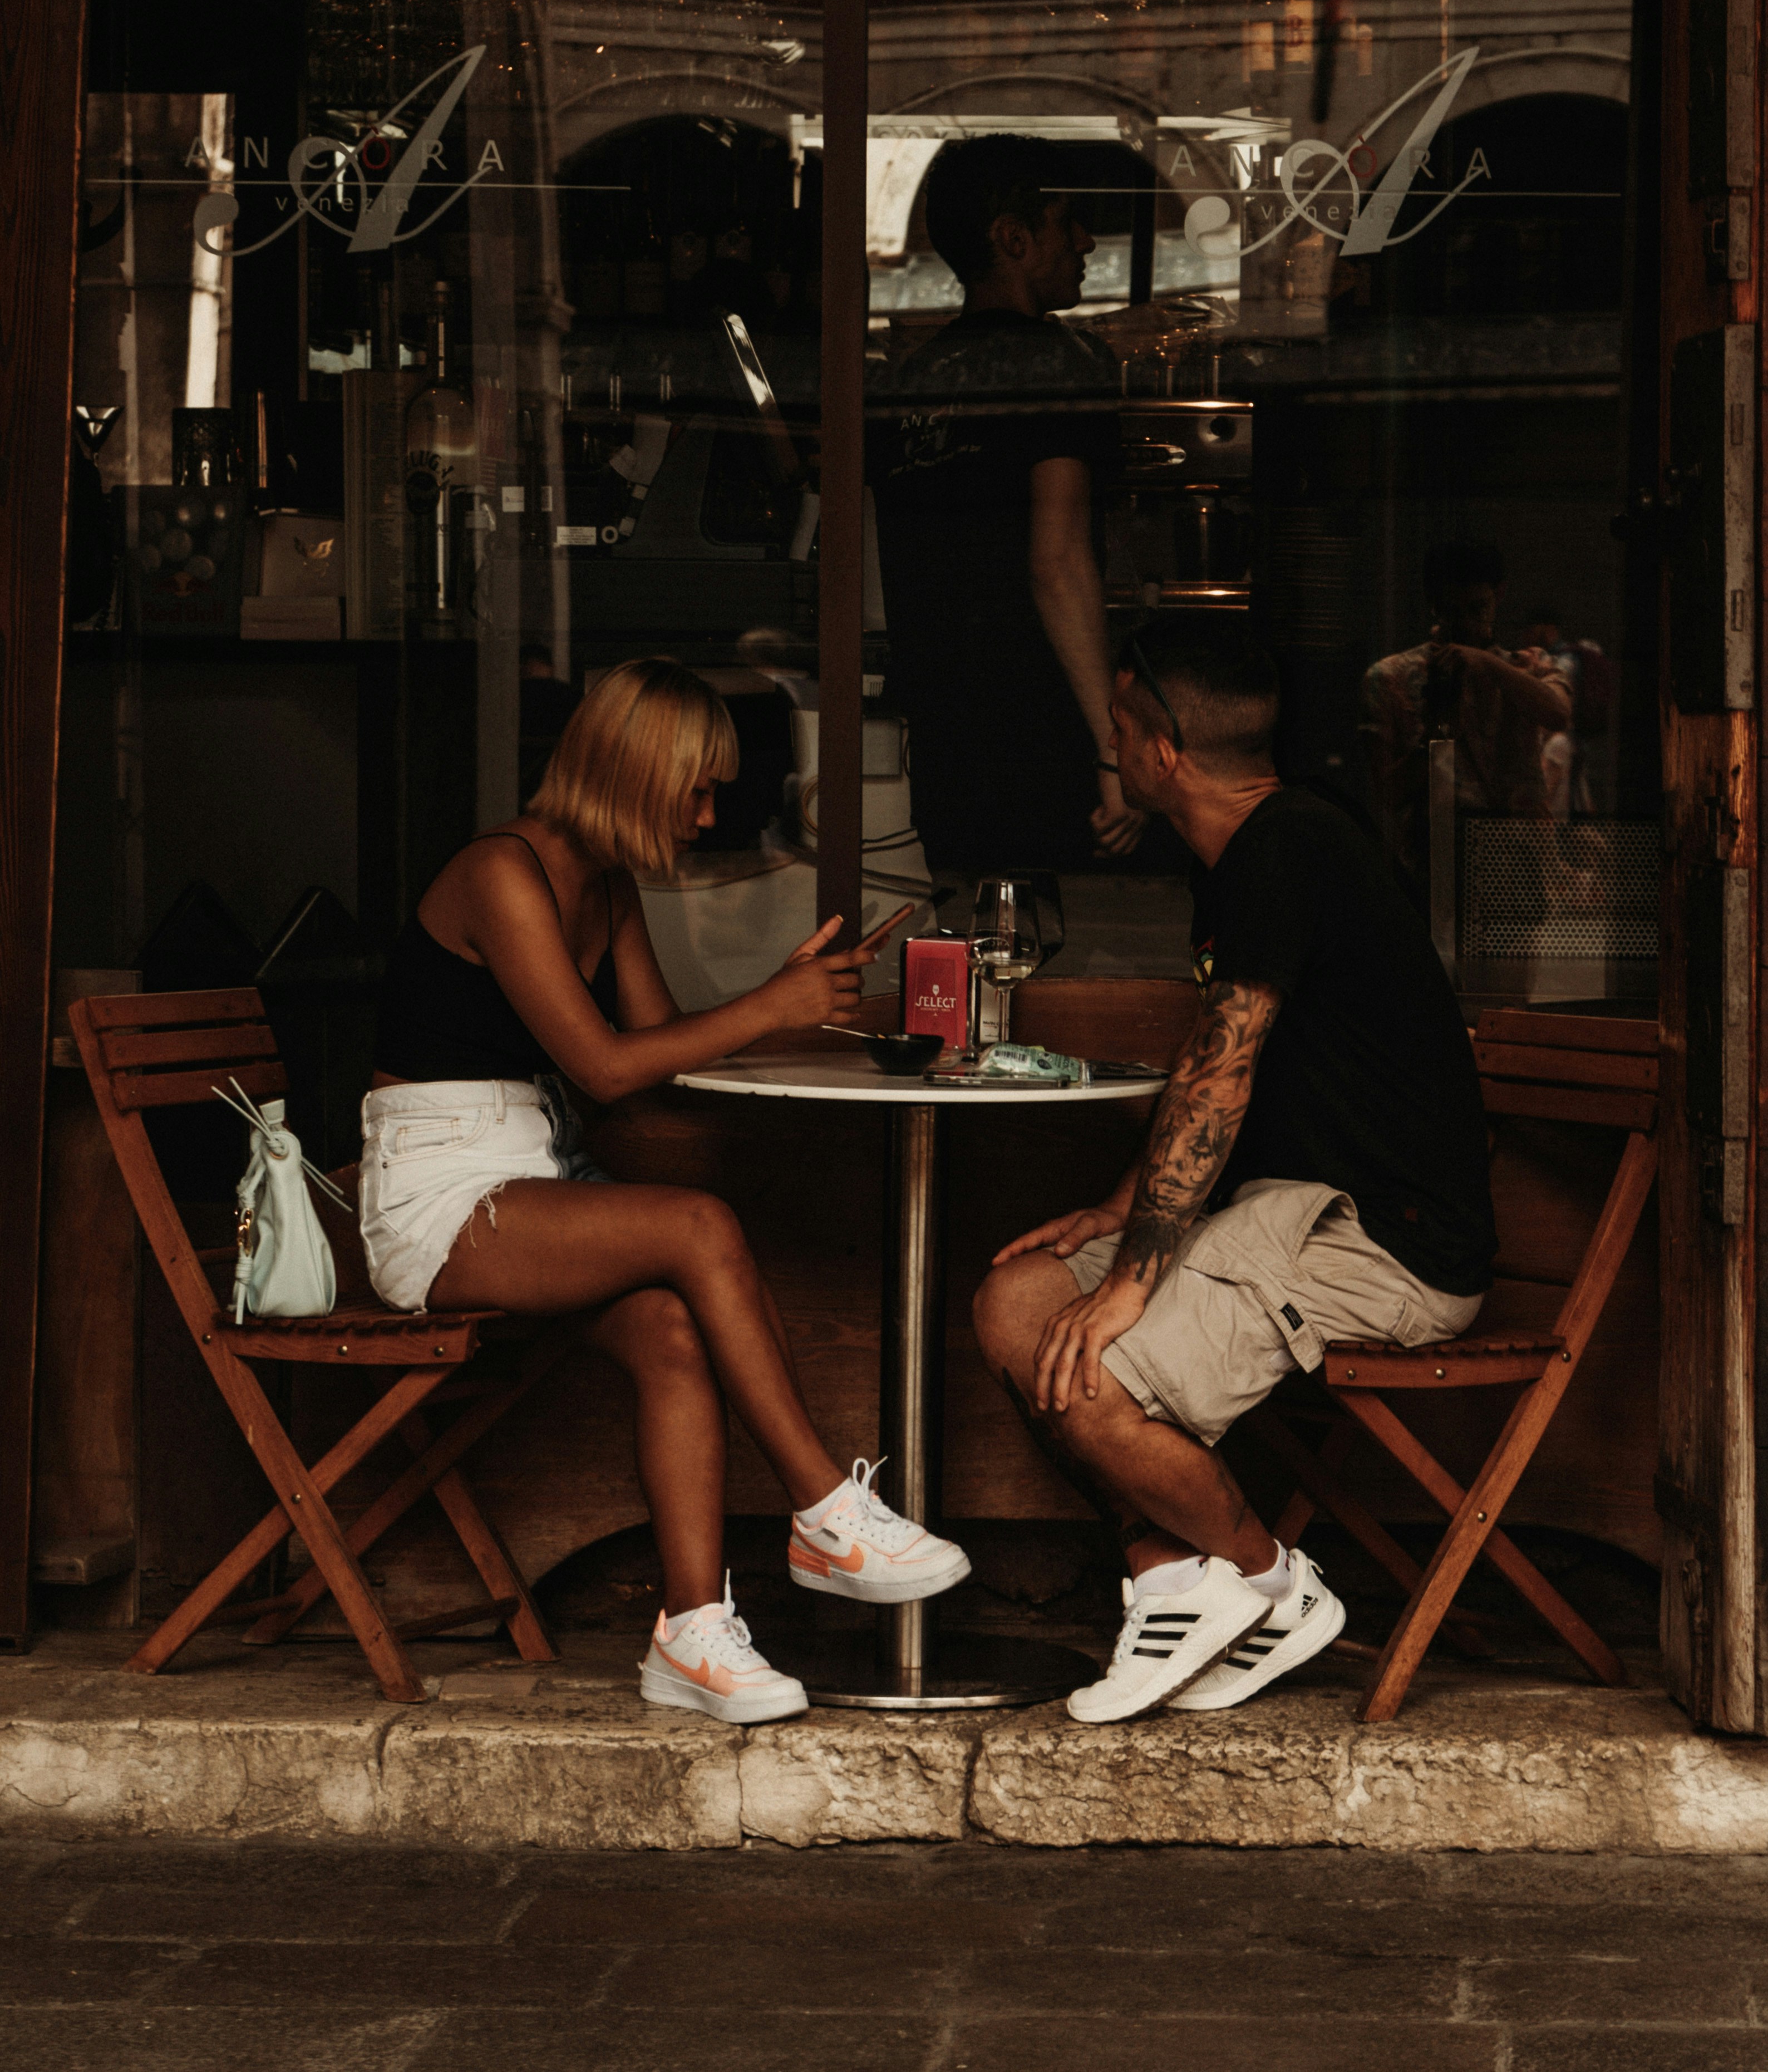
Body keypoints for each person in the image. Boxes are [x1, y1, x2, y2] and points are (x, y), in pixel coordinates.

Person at [366, 654, 971, 1725]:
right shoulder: (501, 872)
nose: (707, 813)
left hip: (537, 1174)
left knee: (671, 1334)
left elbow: (652, 1055)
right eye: (694, 788)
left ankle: (690, 1636)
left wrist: (788, 1007)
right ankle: (827, 1514)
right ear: (631, 775)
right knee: (699, 1224)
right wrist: (765, 1010)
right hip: (439, 1194)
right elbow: (601, 1068)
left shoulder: (608, 885)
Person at [974, 617, 1495, 1721]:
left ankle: (1269, 1582)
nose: (1109, 749)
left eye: (1119, 727)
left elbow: (1221, 1078)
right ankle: (1170, 1575)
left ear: (1160, 752)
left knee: (1092, 1377)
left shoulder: (1284, 851)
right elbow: (1216, 1080)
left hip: (1386, 1241)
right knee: (1015, 1306)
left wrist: (1129, 1283)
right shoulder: (1257, 849)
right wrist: (1113, 1214)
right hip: (1287, 1212)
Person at [867, 134, 1144, 873]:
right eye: (1068, 223)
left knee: (974, 949)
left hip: (942, 738)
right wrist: (1113, 751)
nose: (1085, 242)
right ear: (1016, 239)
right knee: (1049, 954)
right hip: (1043, 735)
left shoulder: (911, 380)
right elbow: (1058, 565)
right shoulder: (1056, 364)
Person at [1362, 540, 1573, 882]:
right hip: (1433, 869)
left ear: (1498, 595)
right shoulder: (1392, 678)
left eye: (1477, 609)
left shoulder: (1529, 668)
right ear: (1434, 604)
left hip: (1517, 870)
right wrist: (1436, 734)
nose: (1466, 624)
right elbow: (1389, 792)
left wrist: (1487, 664)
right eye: (1452, 611)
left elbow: (1558, 714)